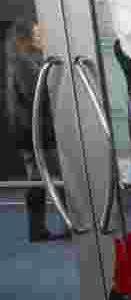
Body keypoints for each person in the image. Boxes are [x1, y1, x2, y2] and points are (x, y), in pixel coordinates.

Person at [5, 18, 70, 242]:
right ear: (25, 38)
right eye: (37, 33)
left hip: (30, 131)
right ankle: (69, 222)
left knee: (40, 180)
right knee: (58, 177)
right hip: (36, 132)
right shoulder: (23, 63)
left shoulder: (21, 61)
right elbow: (37, 95)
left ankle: (38, 228)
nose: (41, 37)